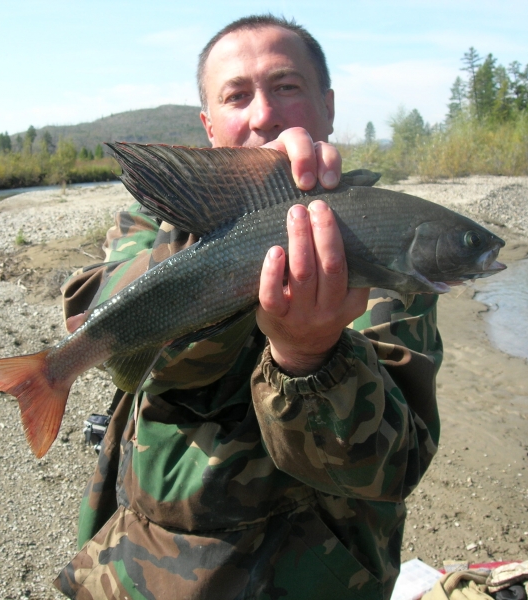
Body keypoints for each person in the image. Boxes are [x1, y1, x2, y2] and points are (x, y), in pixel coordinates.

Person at [54, 14, 442, 600]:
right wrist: (212, 238)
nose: (264, 115)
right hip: (139, 574)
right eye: (238, 95)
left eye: (287, 87)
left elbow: (394, 466)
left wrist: (311, 356)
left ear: (328, 106)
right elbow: (118, 333)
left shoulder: (383, 243)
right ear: (209, 126)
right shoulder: (149, 226)